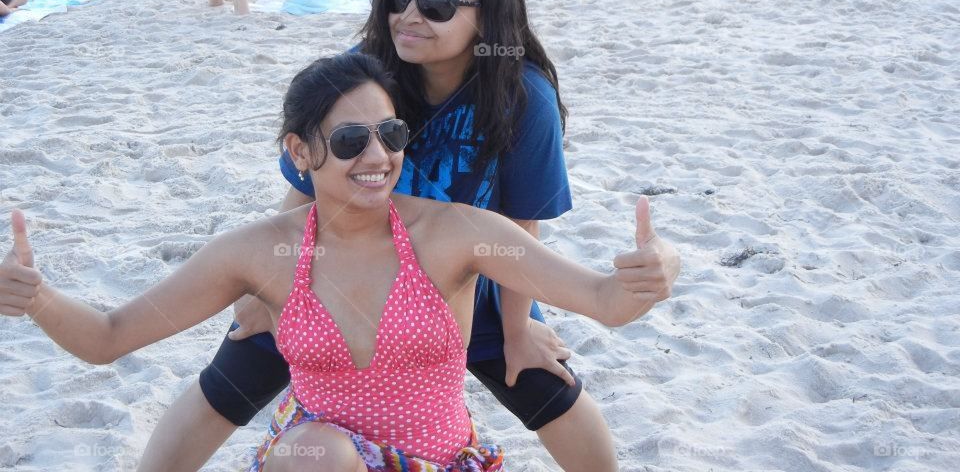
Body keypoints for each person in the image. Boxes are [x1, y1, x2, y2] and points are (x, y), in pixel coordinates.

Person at [0, 53, 682, 472]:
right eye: (351, 140)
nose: (378, 157)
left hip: (440, 462)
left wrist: (656, 267)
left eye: (391, 134)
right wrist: (36, 299)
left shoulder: (461, 235)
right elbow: (109, 338)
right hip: (314, 465)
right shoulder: (261, 251)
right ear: (299, 152)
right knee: (321, 450)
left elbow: (603, 300)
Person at [135, 0, 626, 472]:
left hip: (468, 278)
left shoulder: (520, 94)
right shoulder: (367, 72)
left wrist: (517, 329)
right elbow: (304, 186)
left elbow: (520, 219)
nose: (411, 15)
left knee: (547, 388)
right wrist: (266, 286)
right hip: (339, 274)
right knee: (230, 380)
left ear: (487, 17)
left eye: (438, 3)